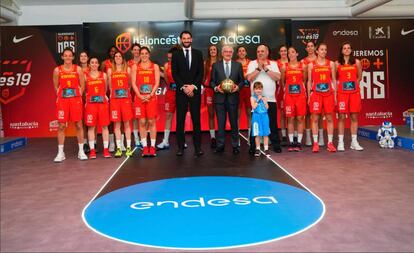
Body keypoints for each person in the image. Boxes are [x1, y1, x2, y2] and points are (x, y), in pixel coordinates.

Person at [171, 30, 204, 157]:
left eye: (188, 38)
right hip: (181, 92)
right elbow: (175, 73)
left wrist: (192, 87)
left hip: (194, 92)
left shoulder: (198, 53)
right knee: (180, 121)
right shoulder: (176, 54)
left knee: (196, 120)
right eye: (184, 38)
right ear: (181, 40)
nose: (186, 40)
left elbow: (200, 73)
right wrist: (184, 87)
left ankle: (198, 148)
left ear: (191, 39)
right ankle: (180, 147)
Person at [52, 47, 87, 162]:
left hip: (75, 100)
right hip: (63, 101)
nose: (67, 57)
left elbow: (82, 85)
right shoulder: (57, 70)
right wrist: (62, 96)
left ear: (72, 57)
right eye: (65, 55)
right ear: (62, 57)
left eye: (69, 55)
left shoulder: (78, 69)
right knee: (61, 126)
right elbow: (56, 86)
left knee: (78, 125)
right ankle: (60, 152)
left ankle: (81, 151)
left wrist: (78, 97)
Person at [246, 44, 282, 154]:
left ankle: (276, 145)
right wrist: (258, 68)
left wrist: (266, 69)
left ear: (267, 52)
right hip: (256, 101)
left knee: (272, 123)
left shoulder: (274, 64)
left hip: (270, 99)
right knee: (255, 124)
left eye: (262, 51)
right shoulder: (252, 63)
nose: (260, 53)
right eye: (258, 51)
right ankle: (253, 146)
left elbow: (278, 77)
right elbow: (249, 78)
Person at [210, 45, 244, 154]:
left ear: (232, 53)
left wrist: (238, 87)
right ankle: (220, 146)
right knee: (220, 124)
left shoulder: (238, 65)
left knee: (234, 123)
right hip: (219, 99)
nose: (228, 53)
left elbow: (242, 81)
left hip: (233, 98)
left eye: (230, 52)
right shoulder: (216, 65)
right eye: (226, 51)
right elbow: (212, 81)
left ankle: (235, 146)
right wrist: (216, 88)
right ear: (222, 53)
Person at [307, 43, 337, 153]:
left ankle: (330, 143)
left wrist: (335, 95)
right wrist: (309, 95)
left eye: (325, 49)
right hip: (316, 94)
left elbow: (333, 80)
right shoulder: (311, 65)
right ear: (317, 51)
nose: (324, 51)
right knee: (314, 119)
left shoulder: (331, 64)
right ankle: (315, 143)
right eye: (322, 49)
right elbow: (309, 81)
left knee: (329, 118)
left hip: (328, 94)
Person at [131, 46, 160, 157]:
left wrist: (150, 94)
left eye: (145, 53)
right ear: (139, 54)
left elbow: (157, 82)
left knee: (152, 121)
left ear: (149, 54)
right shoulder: (135, 67)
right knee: (142, 122)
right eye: (141, 53)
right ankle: (145, 147)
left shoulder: (155, 66)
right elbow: (133, 83)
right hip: (139, 98)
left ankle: (152, 146)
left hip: (151, 98)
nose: (143, 55)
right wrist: (139, 95)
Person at [335, 42, 364, 151]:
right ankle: (340, 142)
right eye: (344, 48)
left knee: (354, 117)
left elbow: (359, 77)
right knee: (341, 117)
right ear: (342, 51)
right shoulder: (337, 63)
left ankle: (354, 142)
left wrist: (353, 86)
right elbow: (334, 78)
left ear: (351, 50)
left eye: (348, 48)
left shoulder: (356, 62)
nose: (346, 50)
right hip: (342, 94)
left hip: (354, 93)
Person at [157, 45, 184, 150]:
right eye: (168, 58)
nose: (169, 60)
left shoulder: (183, 65)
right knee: (168, 116)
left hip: (181, 93)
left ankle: (182, 141)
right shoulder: (166, 65)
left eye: (171, 58)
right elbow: (167, 81)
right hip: (170, 93)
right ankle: (165, 141)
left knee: (181, 118)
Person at [84, 57, 111, 159]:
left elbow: (105, 89)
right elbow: (84, 90)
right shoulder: (85, 76)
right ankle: (92, 151)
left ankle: (105, 150)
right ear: (89, 65)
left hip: (102, 104)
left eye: (96, 62)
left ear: (98, 64)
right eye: (92, 63)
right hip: (91, 105)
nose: (94, 64)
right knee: (91, 127)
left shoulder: (103, 75)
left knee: (105, 127)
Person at [280, 47, 307, 152]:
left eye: (292, 52)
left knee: (300, 118)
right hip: (289, 96)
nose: (290, 54)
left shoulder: (303, 66)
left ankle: (298, 142)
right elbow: (282, 82)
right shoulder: (284, 67)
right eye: (289, 53)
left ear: (297, 54)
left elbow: (304, 80)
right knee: (290, 118)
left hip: (300, 96)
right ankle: (291, 142)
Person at [108, 51, 134, 157]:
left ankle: (128, 147)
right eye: (116, 56)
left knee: (127, 124)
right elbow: (110, 87)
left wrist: (125, 93)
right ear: (113, 58)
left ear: (123, 58)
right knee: (117, 124)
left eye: (120, 56)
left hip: (125, 100)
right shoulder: (110, 70)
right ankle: (118, 148)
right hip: (115, 100)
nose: (118, 57)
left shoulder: (127, 69)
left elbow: (129, 85)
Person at [302, 41, 325, 147]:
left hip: (319, 90)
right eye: (308, 46)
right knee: (307, 114)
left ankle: (320, 137)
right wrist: (307, 91)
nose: (310, 48)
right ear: (306, 49)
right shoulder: (303, 62)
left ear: (315, 48)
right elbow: (304, 79)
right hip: (307, 90)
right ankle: (308, 137)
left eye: (312, 46)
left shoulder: (320, 60)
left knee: (319, 114)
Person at [203, 45, 220, 149]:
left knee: (220, 114)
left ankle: (220, 135)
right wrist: (204, 83)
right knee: (211, 114)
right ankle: (213, 137)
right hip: (209, 90)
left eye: (214, 49)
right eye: (211, 50)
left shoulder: (221, 61)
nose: (212, 51)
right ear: (209, 52)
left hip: (219, 90)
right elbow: (202, 76)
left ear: (217, 51)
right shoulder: (206, 62)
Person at [128, 43, 143, 149]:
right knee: (134, 117)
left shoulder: (145, 62)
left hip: (144, 93)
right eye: (135, 50)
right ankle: (137, 140)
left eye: (138, 50)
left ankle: (143, 140)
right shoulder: (128, 63)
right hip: (132, 92)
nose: (136, 51)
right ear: (132, 51)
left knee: (143, 117)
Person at [235, 46, 252, 140]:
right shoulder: (235, 63)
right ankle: (236, 136)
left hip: (249, 90)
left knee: (249, 113)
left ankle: (250, 136)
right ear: (237, 53)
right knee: (237, 114)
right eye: (240, 51)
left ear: (246, 52)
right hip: (238, 91)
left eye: (243, 50)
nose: (241, 52)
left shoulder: (251, 63)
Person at [251, 82, 271, 157]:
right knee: (257, 134)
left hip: (264, 116)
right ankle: (258, 149)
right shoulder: (252, 98)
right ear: (254, 90)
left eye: (260, 89)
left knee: (266, 133)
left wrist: (265, 102)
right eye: (256, 89)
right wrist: (258, 100)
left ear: (262, 89)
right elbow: (253, 107)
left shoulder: (264, 97)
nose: (258, 90)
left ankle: (266, 149)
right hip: (256, 117)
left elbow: (267, 108)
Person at [78, 51, 91, 154]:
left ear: (88, 58)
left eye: (85, 56)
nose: (83, 58)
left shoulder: (93, 69)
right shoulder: (76, 70)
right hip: (80, 99)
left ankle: (93, 142)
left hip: (90, 98)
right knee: (82, 122)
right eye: (81, 56)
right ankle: (85, 143)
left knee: (92, 122)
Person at [276, 45, 289, 146]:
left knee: (293, 114)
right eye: (282, 51)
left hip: (292, 91)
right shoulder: (276, 63)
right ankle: (284, 136)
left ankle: (294, 135)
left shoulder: (292, 61)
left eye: (285, 51)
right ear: (279, 53)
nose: (283, 53)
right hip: (280, 91)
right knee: (282, 114)